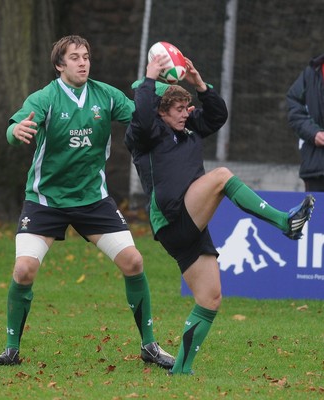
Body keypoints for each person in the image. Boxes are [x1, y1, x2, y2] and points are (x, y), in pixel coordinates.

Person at [0, 35, 175, 370]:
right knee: (24, 269)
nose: (83, 62)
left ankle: (149, 346)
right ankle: (11, 349)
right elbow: (15, 124)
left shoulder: (105, 95)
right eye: (74, 57)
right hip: (45, 200)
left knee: (133, 262)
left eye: (86, 56)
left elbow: (142, 108)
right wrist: (15, 131)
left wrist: (161, 86)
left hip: (92, 200)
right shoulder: (45, 97)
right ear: (59, 65)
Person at [125, 54, 315, 375]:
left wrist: (200, 85)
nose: (186, 115)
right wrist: (148, 78)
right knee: (222, 176)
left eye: (188, 109)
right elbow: (142, 116)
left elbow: (217, 115)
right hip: (172, 217)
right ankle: (285, 222)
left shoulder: (189, 127)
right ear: (161, 110)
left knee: (210, 299)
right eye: (179, 110)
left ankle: (181, 371)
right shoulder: (145, 134)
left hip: (189, 227)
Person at [287, 53, 324, 192]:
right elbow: (294, 108)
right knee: (317, 212)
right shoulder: (311, 74)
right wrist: (314, 133)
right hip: (316, 169)